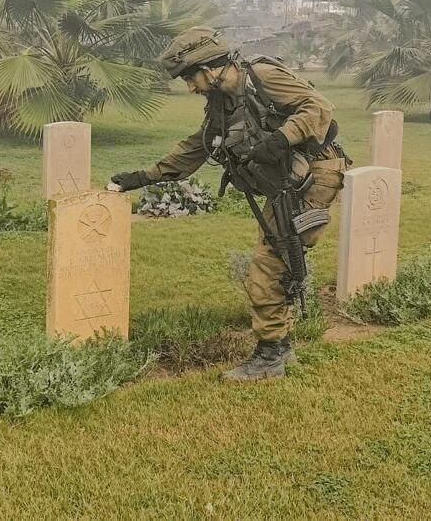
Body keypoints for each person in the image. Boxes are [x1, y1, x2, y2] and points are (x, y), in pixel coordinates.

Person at [110, 27, 349, 382]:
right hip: (284, 184)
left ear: (208, 68)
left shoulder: (263, 77)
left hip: (315, 174)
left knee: (268, 266)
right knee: (277, 261)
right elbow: (198, 145)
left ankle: (270, 355)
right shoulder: (222, 104)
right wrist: (143, 177)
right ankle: (279, 347)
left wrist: (281, 140)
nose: (189, 88)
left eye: (190, 78)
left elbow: (319, 107)